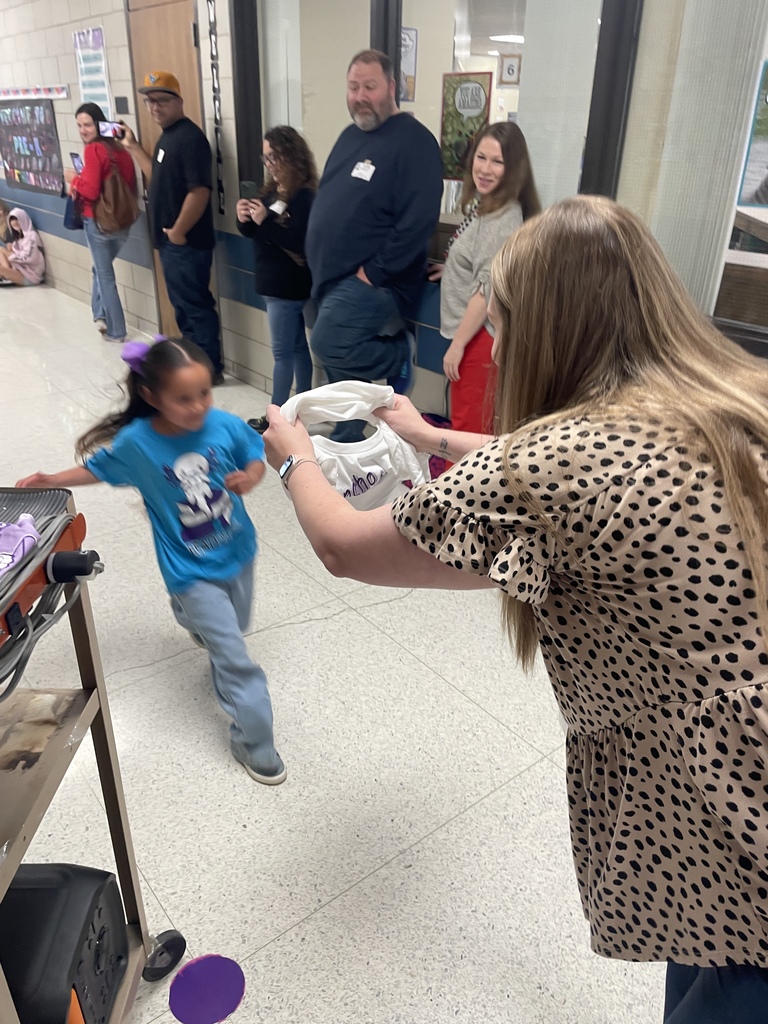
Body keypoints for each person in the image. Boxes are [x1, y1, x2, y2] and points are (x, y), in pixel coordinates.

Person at [262, 195, 768, 1021]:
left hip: (726, 809)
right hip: (735, 796)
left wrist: (292, 457)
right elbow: (592, 462)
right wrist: (429, 438)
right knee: (709, 949)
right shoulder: (729, 395)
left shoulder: (559, 466)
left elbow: (344, 545)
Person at [16, 337, 285, 785]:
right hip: (189, 569)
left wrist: (252, 476)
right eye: (183, 398)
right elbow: (99, 469)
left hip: (238, 552)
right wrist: (52, 479)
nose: (198, 406)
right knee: (234, 657)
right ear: (151, 396)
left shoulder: (223, 425)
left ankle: (193, 620)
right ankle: (255, 743)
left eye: (204, 393)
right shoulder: (139, 443)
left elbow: (254, 453)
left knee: (236, 625)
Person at [304, 48, 444, 443]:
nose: (361, 96)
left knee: (329, 343)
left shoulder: (415, 141)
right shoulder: (351, 136)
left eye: (370, 86)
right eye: (353, 87)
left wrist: (373, 273)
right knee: (340, 374)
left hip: (379, 282)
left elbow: (418, 222)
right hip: (331, 277)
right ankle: (349, 436)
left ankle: (398, 354)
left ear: (391, 88)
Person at [431, 121, 540, 435]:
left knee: (469, 429)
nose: (485, 169)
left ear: (513, 168)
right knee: (473, 422)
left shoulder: (504, 217)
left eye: (498, 161)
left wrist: (457, 346)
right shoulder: (489, 206)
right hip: (476, 337)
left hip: (480, 339)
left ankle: (459, 485)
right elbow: (482, 267)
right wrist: (452, 270)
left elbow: (486, 291)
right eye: (481, 157)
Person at [121, 71, 224, 383]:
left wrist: (178, 232)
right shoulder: (168, 137)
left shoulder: (190, 138)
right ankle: (194, 367)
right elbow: (160, 177)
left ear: (179, 101)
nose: (155, 107)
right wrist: (134, 147)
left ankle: (209, 370)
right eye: (150, 102)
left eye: (162, 101)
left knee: (195, 308)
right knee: (183, 307)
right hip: (172, 243)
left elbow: (200, 191)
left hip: (186, 243)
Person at [236, 126, 317, 434]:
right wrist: (243, 217)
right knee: (296, 349)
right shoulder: (270, 191)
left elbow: (297, 241)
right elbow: (255, 232)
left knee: (282, 353)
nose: (268, 164)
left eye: (274, 157)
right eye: (265, 157)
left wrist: (263, 222)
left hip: (289, 285)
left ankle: (277, 419)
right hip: (273, 283)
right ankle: (300, 411)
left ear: (290, 156)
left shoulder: (304, 195)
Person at [67, 102, 137, 343]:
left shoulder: (93, 150)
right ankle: (100, 314)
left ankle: (116, 330)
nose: (83, 130)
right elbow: (130, 185)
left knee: (105, 275)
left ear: (99, 124)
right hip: (123, 224)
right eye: (79, 125)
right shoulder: (122, 151)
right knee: (100, 268)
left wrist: (74, 179)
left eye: (87, 124)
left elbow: (90, 190)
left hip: (97, 222)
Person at [0, 208, 45, 286]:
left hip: (31, 276)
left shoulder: (32, 236)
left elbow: (29, 257)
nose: (14, 223)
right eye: (12, 220)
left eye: (17, 220)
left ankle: (7, 275)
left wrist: (11, 256)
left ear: (23, 219)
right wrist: (11, 250)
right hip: (20, 269)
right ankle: (8, 275)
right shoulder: (18, 237)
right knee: (1, 249)